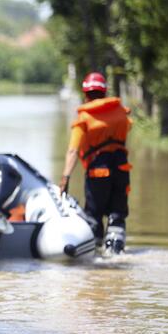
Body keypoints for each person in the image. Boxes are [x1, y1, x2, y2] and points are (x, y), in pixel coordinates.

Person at [59, 72, 132, 254]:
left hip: (98, 173)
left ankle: (94, 255)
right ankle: (115, 252)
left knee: (93, 217)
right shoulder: (121, 114)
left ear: (86, 94)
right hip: (121, 170)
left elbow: (73, 151)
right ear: (105, 92)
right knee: (117, 215)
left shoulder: (83, 120)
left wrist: (66, 177)